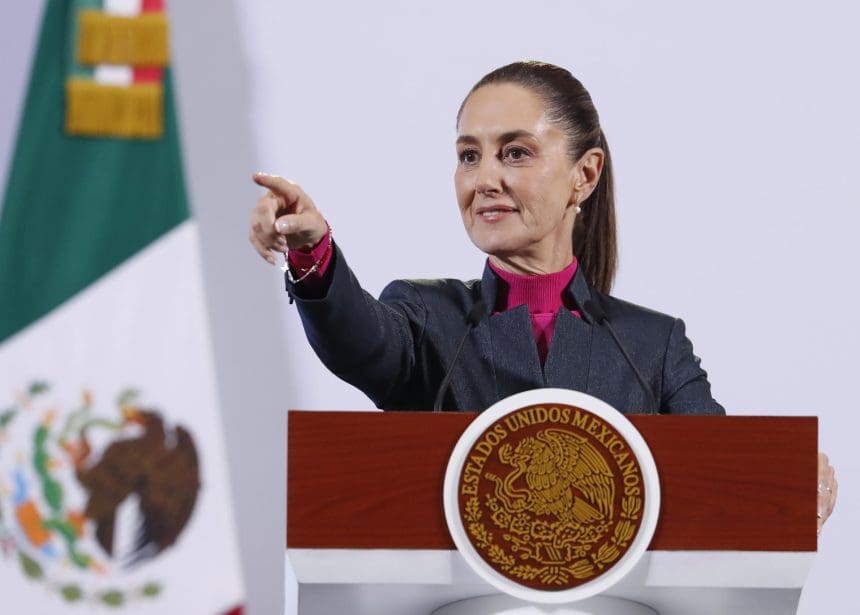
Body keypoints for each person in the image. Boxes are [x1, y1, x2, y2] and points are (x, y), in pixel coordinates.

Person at [247, 61, 836, 531]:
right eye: (468, 155)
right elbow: (359, 341)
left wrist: (784, 476)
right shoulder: (429, 319)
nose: (484, 180)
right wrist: (313, 250)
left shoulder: (653, 346)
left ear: (584, 174)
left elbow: (724, 475)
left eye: (516, 152)